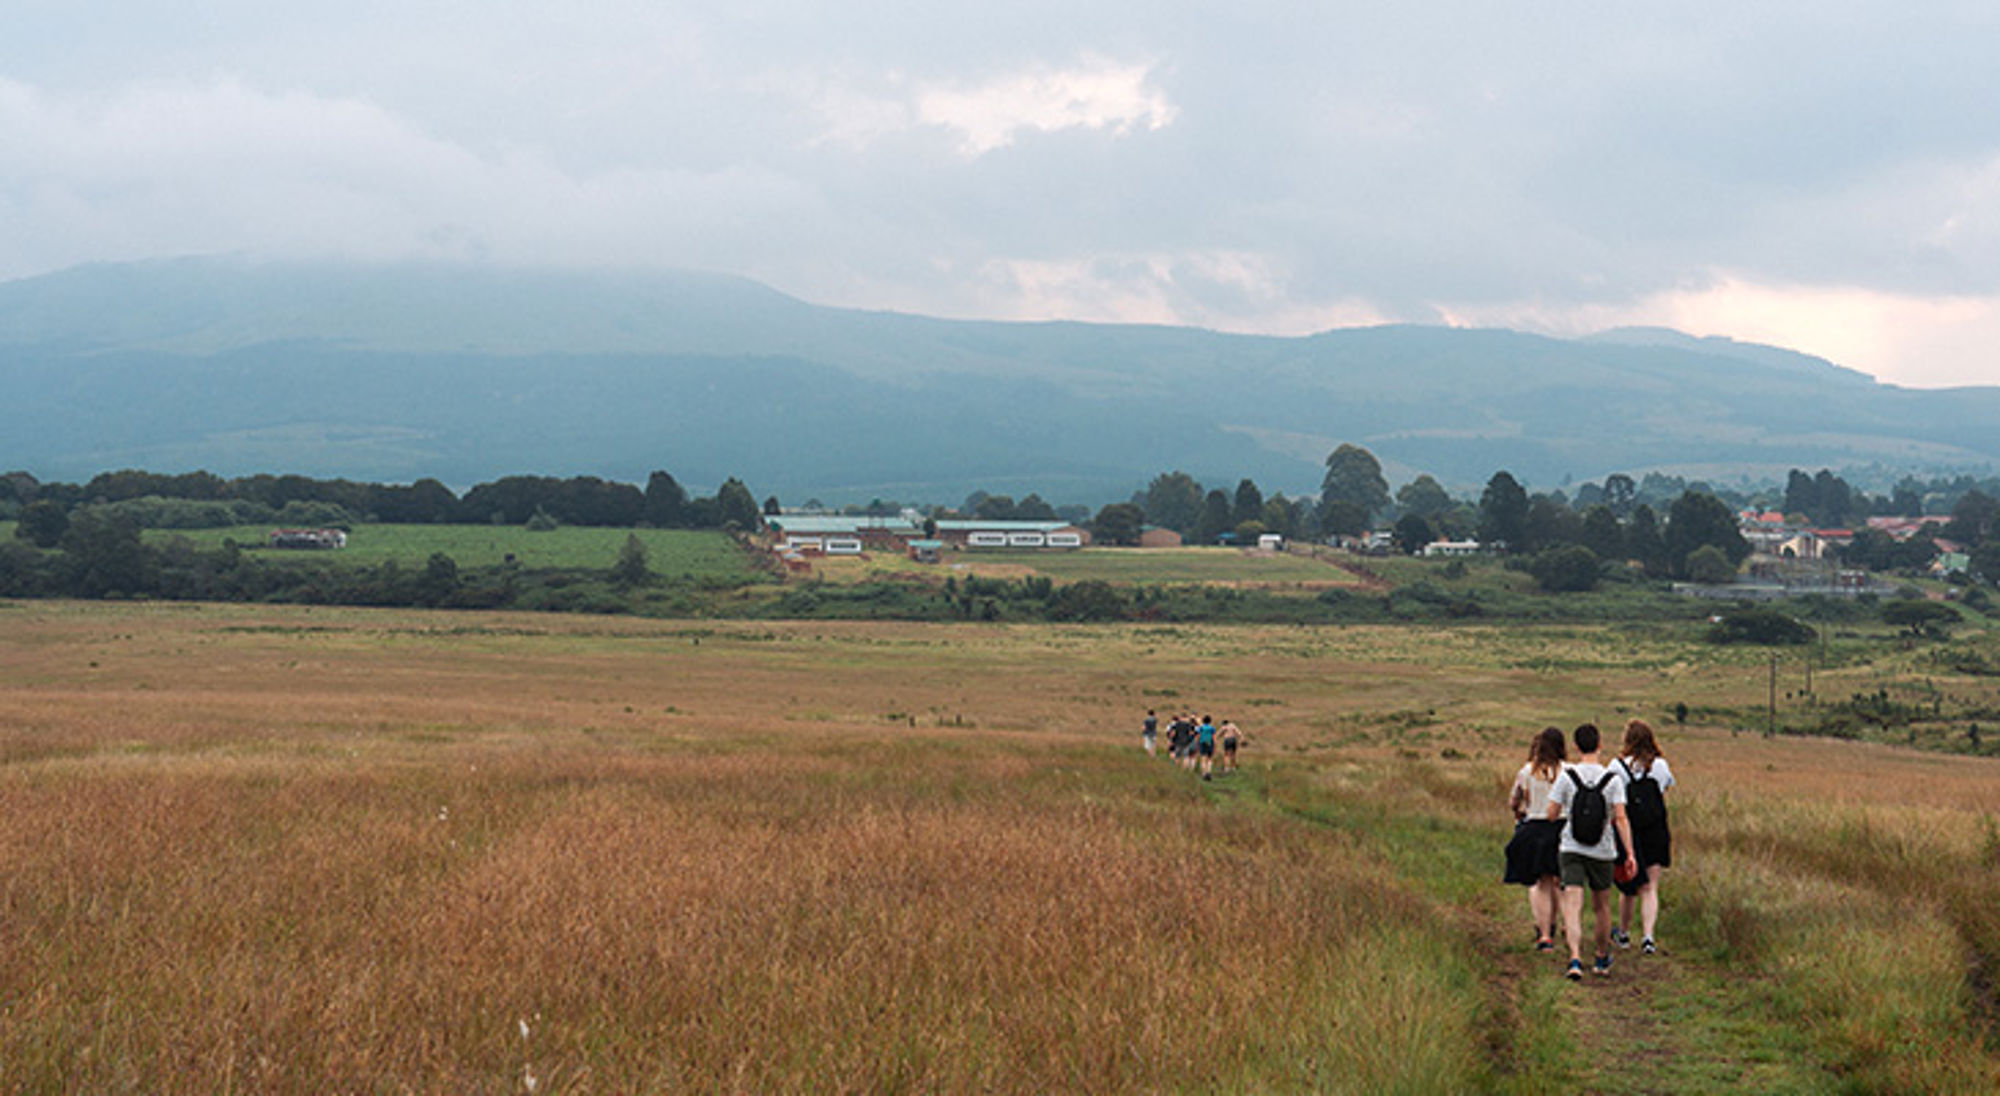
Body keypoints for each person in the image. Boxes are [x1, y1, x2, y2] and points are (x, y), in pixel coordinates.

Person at [1546, 722, 1637, 980]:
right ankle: (1600, 956)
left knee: (1573, 905)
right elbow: (1621, 818)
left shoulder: (1567, 776)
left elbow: (1552, 814)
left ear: (1575, 747)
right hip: (1603, 850)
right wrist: (1629, 853)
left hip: (1572, 847)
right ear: (1599, 745)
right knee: (1601, 907)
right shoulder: (1613, 779)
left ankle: (1574, 958)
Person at [1613, 719, 1675, 955]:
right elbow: (1664, 789)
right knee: (1651, 886)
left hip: (1629, 829)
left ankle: (1624, 933)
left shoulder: (1617, 766)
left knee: (1628, 887)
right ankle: (1648, 937)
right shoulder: (1660, 765)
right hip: (1656, 830)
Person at [1503, 726, 1568, 952]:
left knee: (1540, 883)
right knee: (1561, 883)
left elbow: (1514, 800)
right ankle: (1566, 926)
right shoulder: (1568, 770)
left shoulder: (1527, 771)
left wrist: (1521, 809)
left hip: (1535, 828)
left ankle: (1544, 935)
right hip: (1562, 829)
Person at [1196, 715, 1217, 780]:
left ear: (1203, 721)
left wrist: (1197, 744)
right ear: (1210, 721)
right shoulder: (1212, 728)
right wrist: (1215, 746)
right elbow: (1214, 737)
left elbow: (1198, 736)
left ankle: (1204, 773)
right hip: (1210, 743)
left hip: (1202, 743)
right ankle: (1208, 772)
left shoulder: (1201, 728)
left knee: (1203, 759)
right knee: (1209, 759)